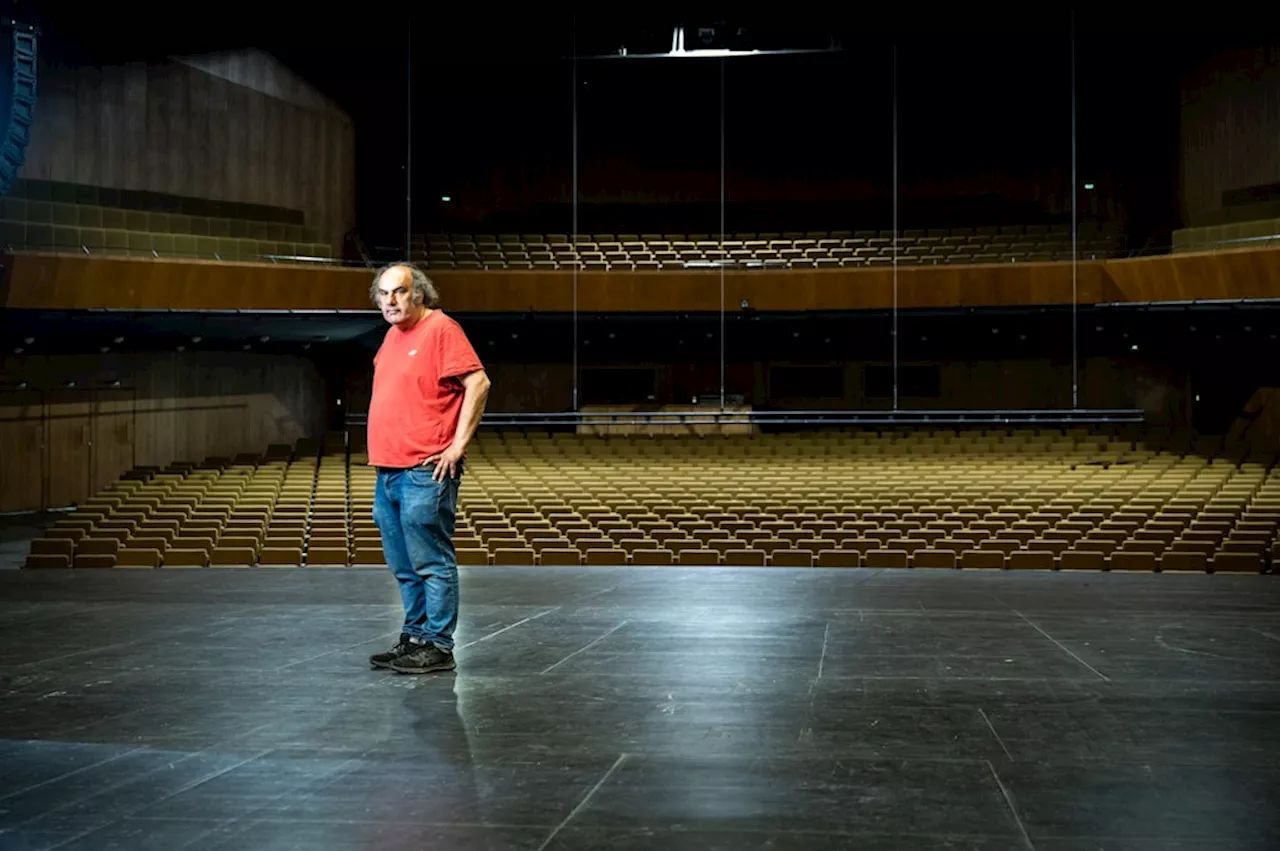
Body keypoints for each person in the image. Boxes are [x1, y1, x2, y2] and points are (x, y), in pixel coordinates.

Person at [365, 263, 490, 674]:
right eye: (383, 294)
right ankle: (415, 636)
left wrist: (457, 446)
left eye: (399, 292)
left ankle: (438, 644)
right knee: (403, 565)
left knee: (431, 562)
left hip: (425, 468)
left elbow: (479, 383)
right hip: (389, 470)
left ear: (418, 294)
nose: (390, 301)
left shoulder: (441, 329)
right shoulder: (390, 336)